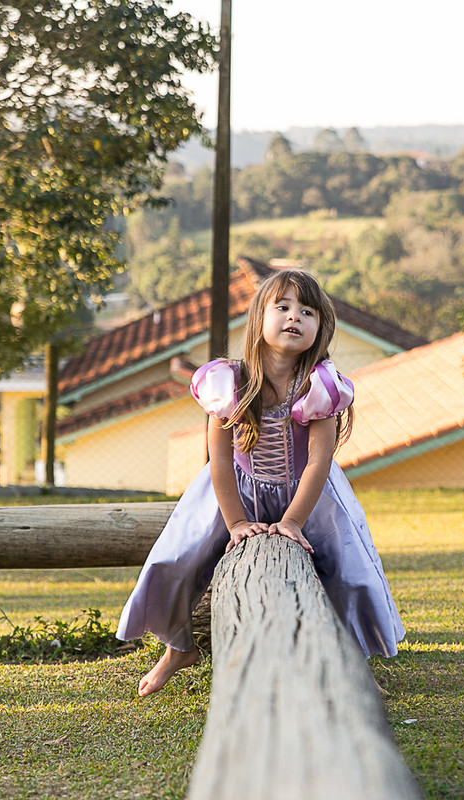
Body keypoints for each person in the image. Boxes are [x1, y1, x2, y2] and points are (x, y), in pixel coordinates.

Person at [116, 268, 405, 696]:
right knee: (175, 558)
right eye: (282, 307)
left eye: (307, 312)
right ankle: (178, 648)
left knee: (350, 572)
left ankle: (352, 663)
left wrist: (292, 522)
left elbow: (320, 461)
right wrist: (235, 522)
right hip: (236, 490)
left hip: (310, 494)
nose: (294, 316)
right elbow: (219, 458)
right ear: (259, 318)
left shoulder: (320, 386)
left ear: (320, 327)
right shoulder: (227, 383)